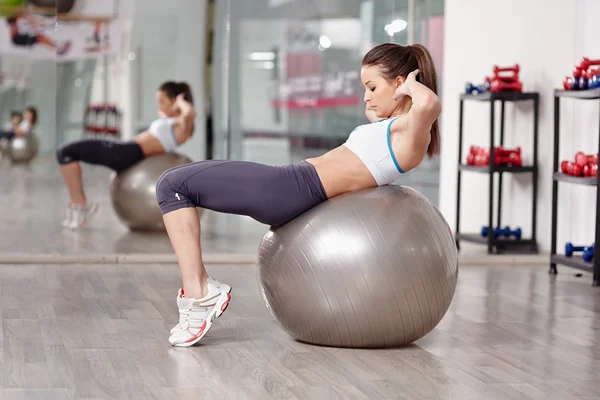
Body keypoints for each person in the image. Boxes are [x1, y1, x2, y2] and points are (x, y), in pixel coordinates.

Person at [155, 42, 442, 347]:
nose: (366, 97)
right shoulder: (390, 127)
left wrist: (411, 85)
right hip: (291, 185)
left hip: (290, 188)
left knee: (172, 186)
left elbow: (428, 105)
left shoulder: (412, 135)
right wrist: (387, 96)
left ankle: (199, 293)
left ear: (400, 84)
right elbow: (380, 119)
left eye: (372, 87)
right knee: (173, 183)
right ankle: (200, 289)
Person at [56, 81, 196, 230]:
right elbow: (166, 114)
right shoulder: (169, 121)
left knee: (65, 151)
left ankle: (80, 205)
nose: (160, 106)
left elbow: (189, 113)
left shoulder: (182, 126)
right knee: (65, 152)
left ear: (175, 102)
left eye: (162, 101)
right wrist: (172, 106)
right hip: (127, 149)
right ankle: (79, 204)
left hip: (128, 152)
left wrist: (181, 102)